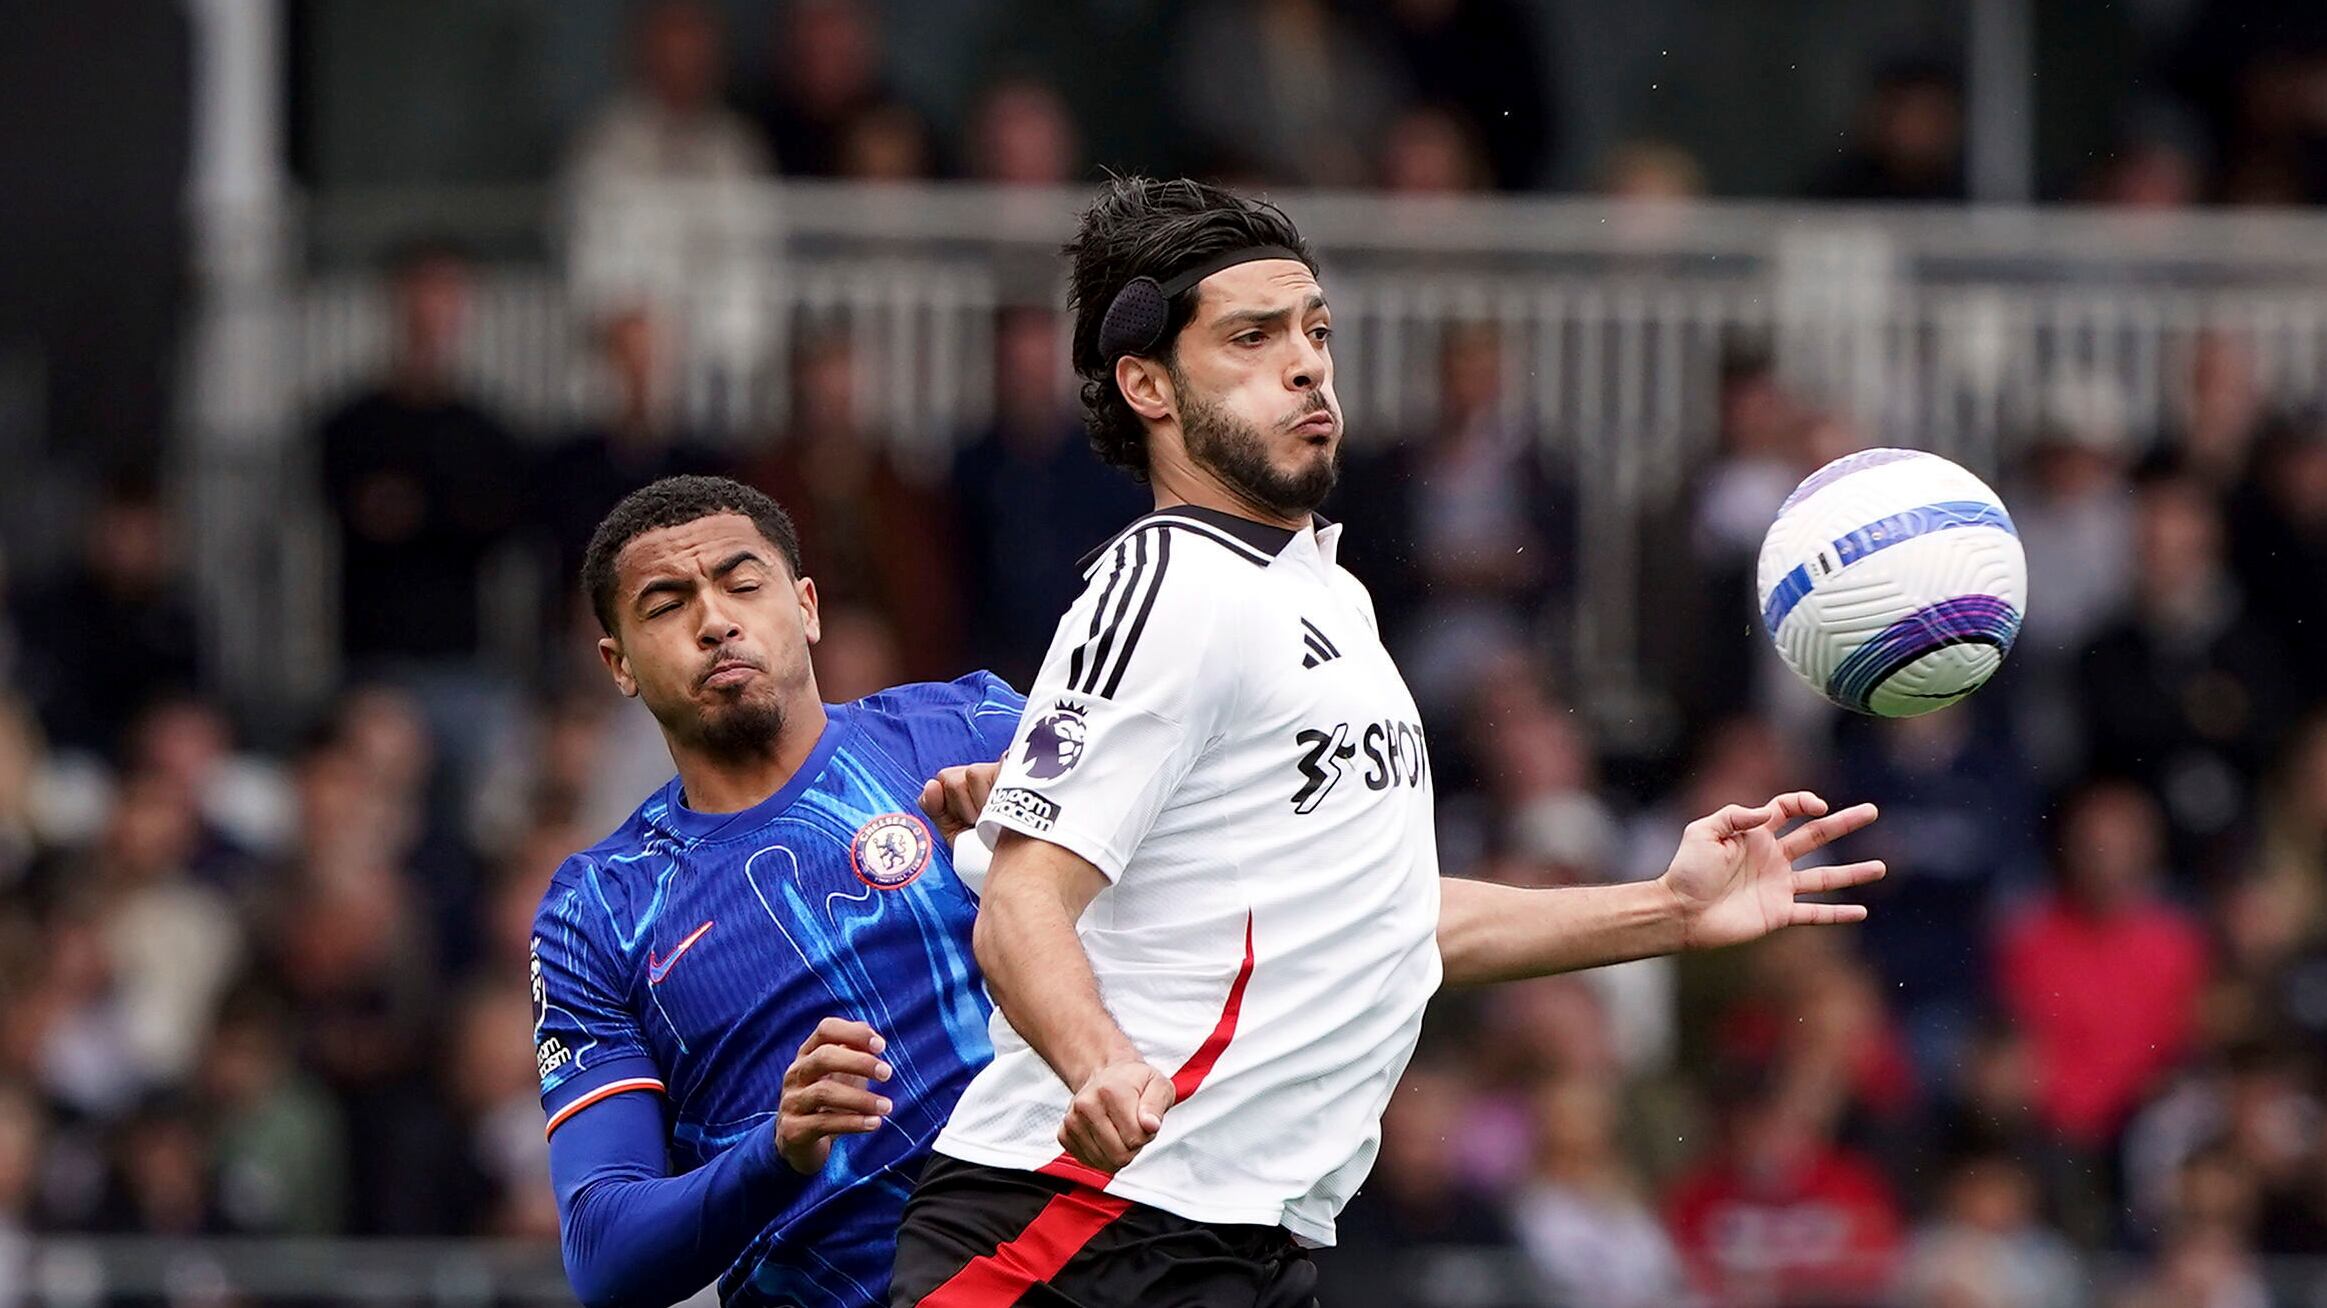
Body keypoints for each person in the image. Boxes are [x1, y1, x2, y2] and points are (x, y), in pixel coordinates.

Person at [889, 176, 1885, 1307]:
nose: (1308, 364)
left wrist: (1662, 911)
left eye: (1314, 331)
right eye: (1251, 338)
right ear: (1146, 385)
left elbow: (1391, 921)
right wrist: (1099, 1064)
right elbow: (1021, 904)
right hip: (1081, 1228)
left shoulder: (1333, 602)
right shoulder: (1169, 582)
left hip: (1242, 1242)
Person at [531, 475, 1025, 1308]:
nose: (715, 621)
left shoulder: (971, 730)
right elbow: (602, 1250)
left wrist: (1049, 841)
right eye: (664, 604)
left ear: (806, 607)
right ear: (617, 663)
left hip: (1078, 1263)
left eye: (742, 583)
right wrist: (778, 1150)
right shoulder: (597, 910)